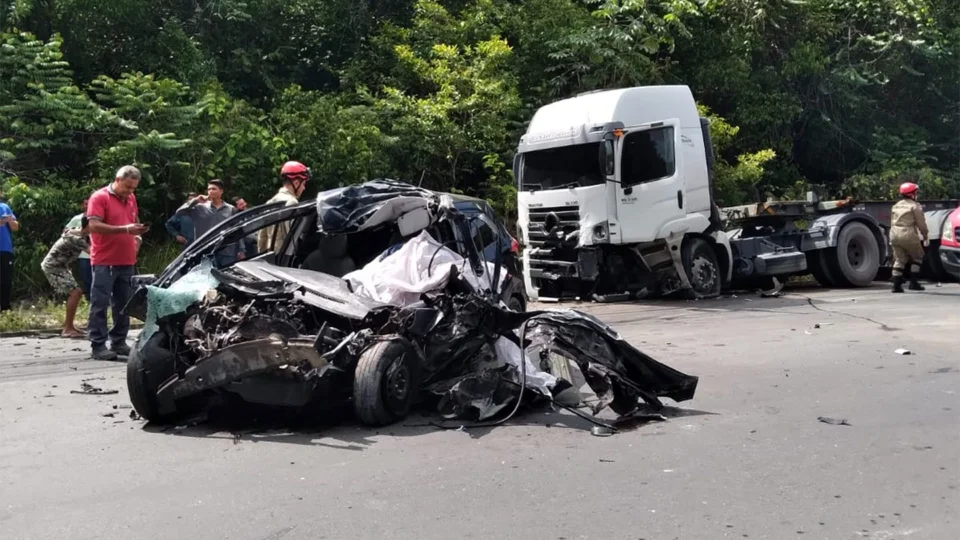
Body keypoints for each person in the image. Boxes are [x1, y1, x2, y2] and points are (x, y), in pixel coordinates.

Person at [86, 165, 149, 361]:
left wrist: (137, 236)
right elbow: (93, 225)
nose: (130, 192)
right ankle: (98, 344)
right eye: (127, 187)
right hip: (105, 260)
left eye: (133, 188)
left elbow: (133, 219)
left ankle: (119, 341)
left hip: (126, 259)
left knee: (124, 304)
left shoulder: (130, 199)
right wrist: (126, 230)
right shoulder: (100, 197)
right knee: (100, 302)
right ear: (117, 180)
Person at [173, 180, 243, 266]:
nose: (210, 191)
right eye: (209, 189)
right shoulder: (199, 208)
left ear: (221, 191)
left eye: (214, 189)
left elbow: (237, 229)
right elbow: (179, 213)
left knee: (226, 277)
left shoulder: (230, 209)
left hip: (226, 251)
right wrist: (195, 200)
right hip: (205, 251)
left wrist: (241, 250)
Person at [42, 216, 91, 338]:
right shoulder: (77, 238)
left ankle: (70, 326)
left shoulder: (80, 233)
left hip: (61, 266)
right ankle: (67, 329)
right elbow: (94, 252)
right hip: (53, 266)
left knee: (77, 292)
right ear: (88, 226)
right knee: (75, 292)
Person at [257, 161, 310, 254]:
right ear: (296, 183)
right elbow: (292, 237)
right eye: (303, 184)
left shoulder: (270, 202)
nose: (304, 188)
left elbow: (262, 237)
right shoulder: (291, 202)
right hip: (283, 259)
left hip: (271, 257)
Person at [889, 181, 929, 293]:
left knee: (899, 259)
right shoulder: (914, 206)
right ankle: (914, 283)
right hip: (908, 233)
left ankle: (896, 286)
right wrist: (925, 235)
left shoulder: (896, 205)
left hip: (894, 233)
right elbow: (921, 223)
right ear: (912, 194)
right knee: (918, 256)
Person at [0, 189, 19, 311]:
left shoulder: (5, 207)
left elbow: (16, 227)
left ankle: (5, 308)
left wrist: (10, 221)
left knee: (6, 279)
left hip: (5, 248)